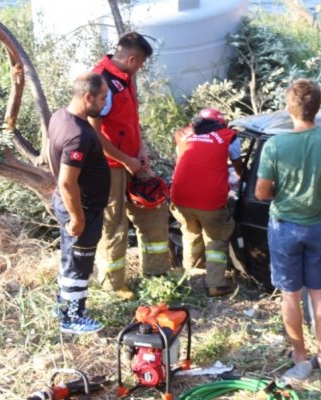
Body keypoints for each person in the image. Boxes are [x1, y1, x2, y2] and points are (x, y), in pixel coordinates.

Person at [254, 79, 321, 381]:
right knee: (318, 291)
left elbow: (261, 193)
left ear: (289, 108)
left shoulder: (275, 145)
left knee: (290, 294)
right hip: (320, 225)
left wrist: (281, 193)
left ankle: (300, 355)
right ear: (317, 107)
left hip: (285, 228)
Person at [89, 32, 172, 299]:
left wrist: (141, 150)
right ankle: (113, 284)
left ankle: (157, 274)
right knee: (114, 224)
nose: (141, 69)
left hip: (133, 160)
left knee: (154, 208)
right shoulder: (101, 81)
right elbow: (94, 134)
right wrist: (127, 161)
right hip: (109, 165)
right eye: (141, 63)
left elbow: (130, 121)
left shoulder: (125, 79)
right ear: (133, 59)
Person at [49, 72, 110, 334]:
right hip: (81, 208)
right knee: (80, 262)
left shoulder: (60, 116)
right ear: (88, 97)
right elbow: (67, 182)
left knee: (70, 257)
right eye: (102, 98)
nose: (104, 104)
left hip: (74, 205)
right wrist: (77, 217)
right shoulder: (78, 135)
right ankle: (73, 318)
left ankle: (62, 306)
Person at [169, 108, 243, 297]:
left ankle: (192, 276)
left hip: (181, 197)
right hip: (210, 200)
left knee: (190, 234)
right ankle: (216, 284)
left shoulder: (182, 134)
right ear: (221, 124)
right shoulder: (228, 136)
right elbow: (239, 169)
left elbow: (184, 161)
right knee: (216, 239)